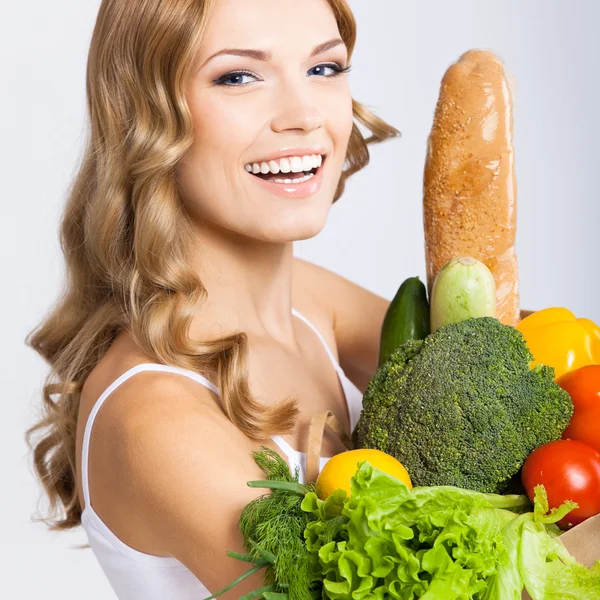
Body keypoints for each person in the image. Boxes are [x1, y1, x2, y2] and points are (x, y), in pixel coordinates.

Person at [25, 0, 399, 597]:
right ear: (144, 114)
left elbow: (511, 361)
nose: (304, 115)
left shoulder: (308, 303)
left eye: (324, 69)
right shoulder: (157, 417)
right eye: (238, 76)